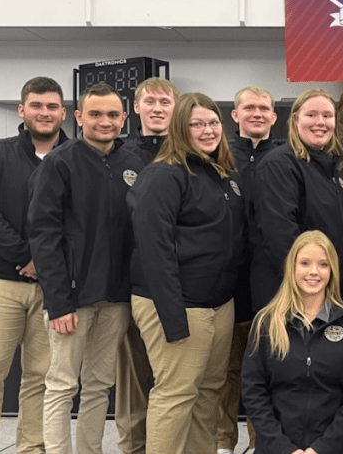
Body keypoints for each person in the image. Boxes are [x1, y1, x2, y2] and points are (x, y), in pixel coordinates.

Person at [28, 83, 143, 454]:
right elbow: (44, 235)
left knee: (100, 384)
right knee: (62, 385)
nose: (104, 121)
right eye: (95, 114)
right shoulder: (60, 163)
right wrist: (57, 302)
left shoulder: (134, 165)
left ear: (124, 119)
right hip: (72, 299)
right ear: (78, 117)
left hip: (116, 298)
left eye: (112, 115)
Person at [128, 92, 245, 454]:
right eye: (197, 124)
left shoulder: (222, 174)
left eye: (212, 122)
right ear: (181, 128)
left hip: (217, 304)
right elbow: (154, 250)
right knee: (176, 394)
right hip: (178, 304)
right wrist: (173, 319)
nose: (208, 130)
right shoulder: (163, 175)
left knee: (208, 392)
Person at [0, 76, 68, 454]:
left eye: (52, 106)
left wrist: (47, 264)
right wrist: (26, 256)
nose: (45, 113)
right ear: (22, 110)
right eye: (36, 105)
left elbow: (84, 220)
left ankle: (32, 448)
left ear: (63, 113)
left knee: (42, 377)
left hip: (53, 289)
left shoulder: (77, 157)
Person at [241, 230, 343, 454]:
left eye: (323, 264)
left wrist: (322, 448)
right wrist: (284, 448)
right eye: (305, 263)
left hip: (335, 448)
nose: (314, 272)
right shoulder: (267, 322)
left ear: (332, 270)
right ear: (292, 268)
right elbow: (253, 392)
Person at [217, 86, 282, 454]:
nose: (257, 113)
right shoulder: (220, 155)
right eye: (249, 107)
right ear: (235, 115)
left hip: (272, 280)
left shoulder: (286, 157)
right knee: (227, 370)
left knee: (265, 371)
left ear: (274, 117)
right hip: (228, 280)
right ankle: (223, 442)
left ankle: (262, 443)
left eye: (264, 108)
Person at [117, 76, 179, 454]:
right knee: (132, 376)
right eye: (150, 102)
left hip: (177, 286)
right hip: (131, 286)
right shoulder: (120, 156)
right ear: (136, 108)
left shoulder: (187, 156)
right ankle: (133, 446)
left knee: (173, 376)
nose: (157, 109)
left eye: (165, 102)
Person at [253, 89, 343, 312]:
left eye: (328, 116)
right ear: (296, 120)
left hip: (330, 293)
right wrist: (312, 289)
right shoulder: (279, 165)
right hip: (294, 297)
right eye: (311, 115)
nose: (320, 122)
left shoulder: (338, 170)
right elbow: (280, 236)